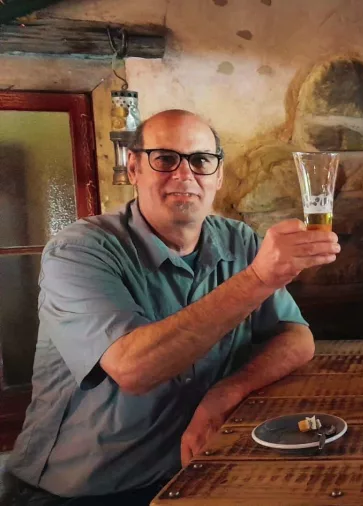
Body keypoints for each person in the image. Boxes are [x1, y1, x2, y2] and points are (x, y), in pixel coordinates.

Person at [1, 110, 340, 505]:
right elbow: (134, 369)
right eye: (165, 159)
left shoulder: (239, 240)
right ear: (134, 168)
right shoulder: (80, 250)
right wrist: (259, 279)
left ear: (218, 175)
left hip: (195, 474)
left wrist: (226, 393)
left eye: (201, 160)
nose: (184, 175)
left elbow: (297, 338)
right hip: (84, 489)